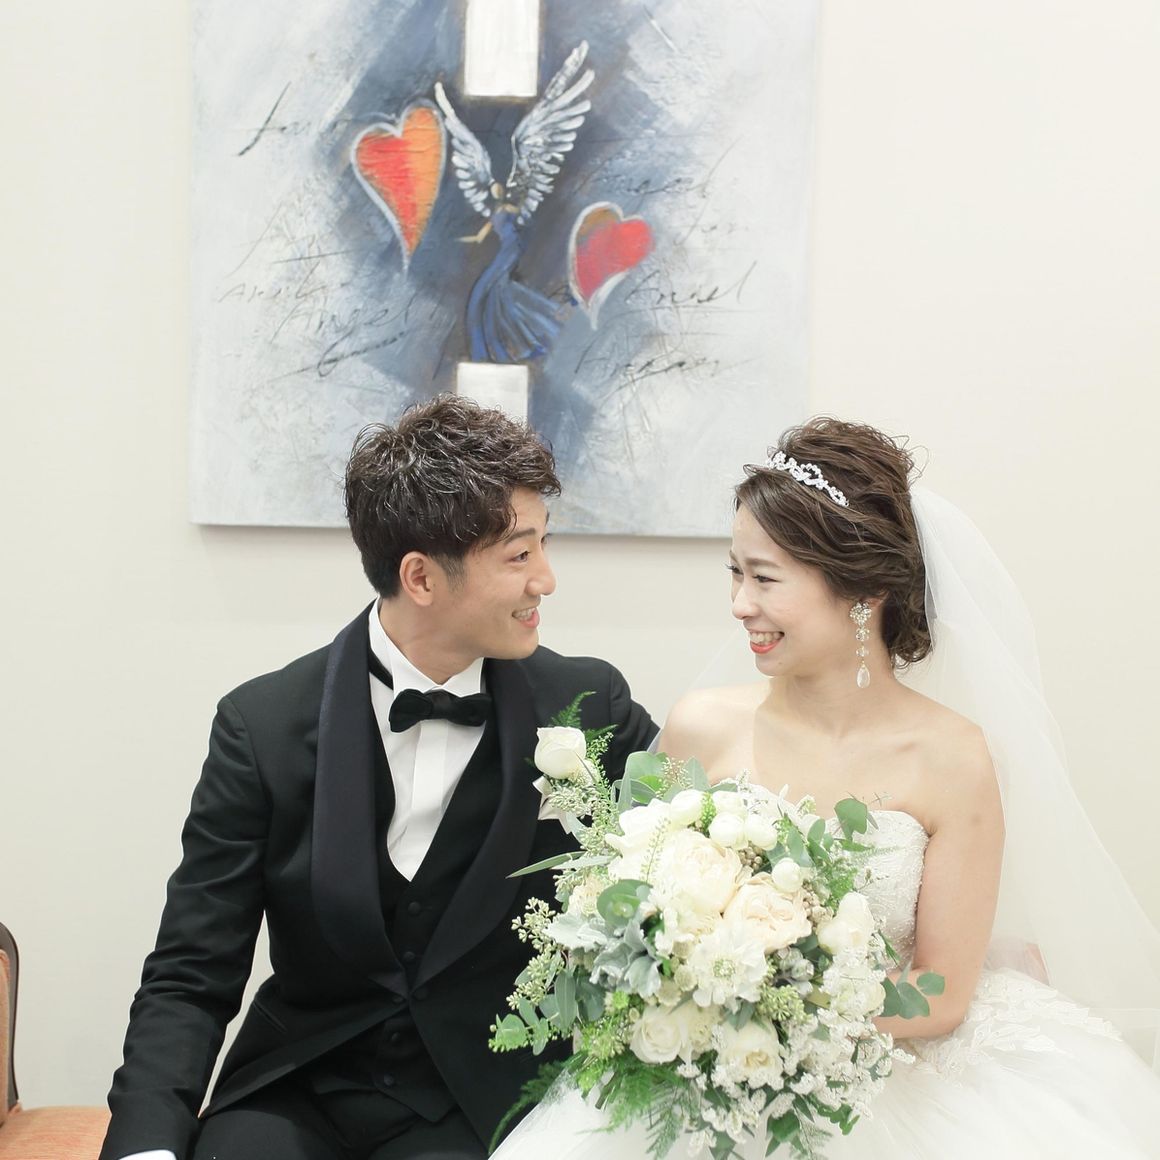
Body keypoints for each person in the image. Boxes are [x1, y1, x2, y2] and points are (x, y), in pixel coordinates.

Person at [493, 417, 1160, 1158]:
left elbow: (940, 991)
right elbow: (628, 907)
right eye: (735, 573)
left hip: (890, 1085)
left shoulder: (955, 758)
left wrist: (776, 1011)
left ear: (863, 592)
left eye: (765, 578)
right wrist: (692, 995)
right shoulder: (702, 726)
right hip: (699, 1077)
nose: (739, 604)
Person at [98, 395, 658, 1160]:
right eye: (518, 556)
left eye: (543, 547)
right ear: (420, 578)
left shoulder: (589, 707)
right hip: (299, 1088)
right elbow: (192, 971)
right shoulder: (261, 727)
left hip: (480, 1100)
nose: (546, 581)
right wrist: (146, 1146)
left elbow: (688, 864)